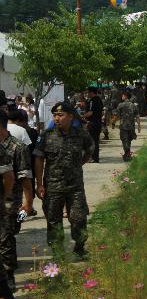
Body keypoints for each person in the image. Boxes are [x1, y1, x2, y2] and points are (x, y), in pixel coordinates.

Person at [33, 101, 95, 260]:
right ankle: (58, 252)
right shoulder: (46, 136)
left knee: (79, 218)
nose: (57, 118)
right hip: (53, 187)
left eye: (60, 115)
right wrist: (39, 183)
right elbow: (39, 159)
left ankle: (80, 248)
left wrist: (79, 164)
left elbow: (89, 151)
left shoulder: (81, 134)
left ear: (70, 116)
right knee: (54, 221)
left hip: (75, 186)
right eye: (55, 115)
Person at [0, 111, 32, 295]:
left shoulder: (17, 147)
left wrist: (28, 203)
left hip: (11, 200)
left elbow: (25, 177)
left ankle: (9, 274)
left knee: (6, 237)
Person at [116, 91, 142, 161]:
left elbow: (117, 116)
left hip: (123, 125)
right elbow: (137, 116)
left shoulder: (120, 105)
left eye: (122, 96)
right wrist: (139, 126)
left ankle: (127, 153)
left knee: (125, 140)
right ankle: (127, 154)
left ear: (126, 96)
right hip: (131, 126)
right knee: (129, 140)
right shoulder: (134, 105)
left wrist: (113, 123)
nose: (122, 97)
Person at [83, 87, 104, 163]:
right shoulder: (99, 100)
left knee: (91, 141)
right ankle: (95, 157)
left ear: (92, 92)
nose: (87, 94)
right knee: (95, 141)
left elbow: (90, 113)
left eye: (88, 92)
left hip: (92, 124)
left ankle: (93, 158)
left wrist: (83, 116)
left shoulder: (93, 101)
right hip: (98, 122)